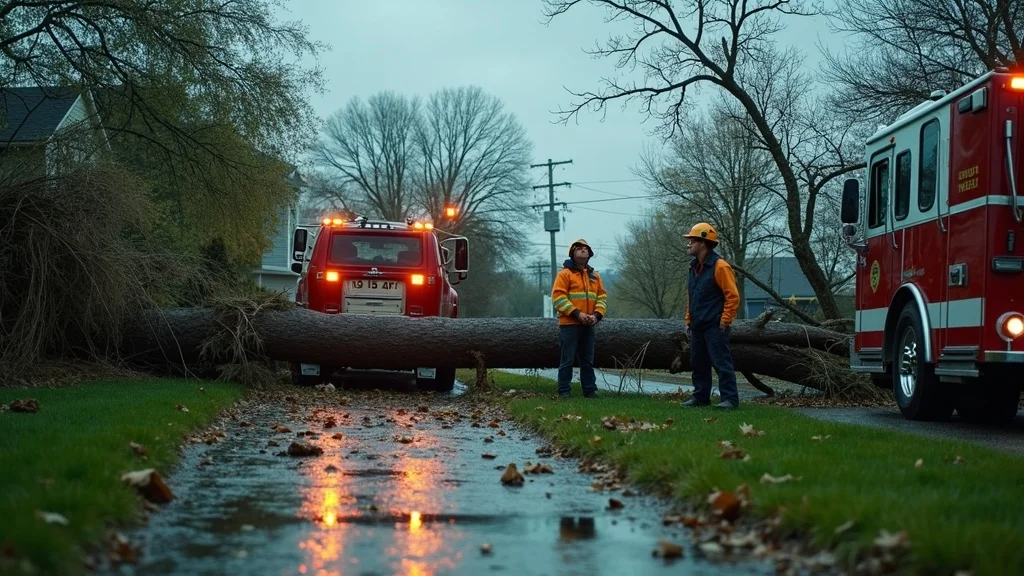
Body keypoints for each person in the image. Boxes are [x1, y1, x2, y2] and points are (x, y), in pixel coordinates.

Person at [681, 223, 741, 409]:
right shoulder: (694, 267)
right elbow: (692, 295)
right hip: (698, 326)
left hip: (715, 326)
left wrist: (725, 320)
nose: (689, 243)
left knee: (721, 363)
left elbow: (733, 296)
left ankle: (730, 399)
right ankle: (700, 397)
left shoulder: (720, 266)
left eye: (692, 240)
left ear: (704, 243)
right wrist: (688, 319)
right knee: (698, 364)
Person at [551, 239, 607, 399]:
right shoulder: (565, 274)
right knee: (567, 359)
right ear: (572, 253)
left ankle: (590, 390)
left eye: (586, 249)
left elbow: (602, 297)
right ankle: (564, 391)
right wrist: (577, 313)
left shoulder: (595, 276)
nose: (583, 251)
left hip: (589, 323)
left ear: (589, 254)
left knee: (587, 360)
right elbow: (558, 298)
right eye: (579, 249)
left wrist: (597, 315)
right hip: (569, 324)